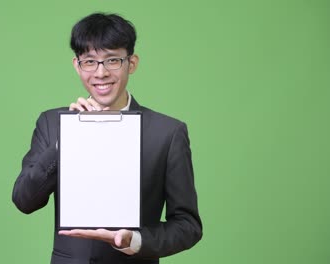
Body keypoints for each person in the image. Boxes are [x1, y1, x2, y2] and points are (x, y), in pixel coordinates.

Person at [12, 12, 202, 264]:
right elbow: (24, 200)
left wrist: (135, 240)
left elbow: (188, 226)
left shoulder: (167, 133)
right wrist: (66, 140)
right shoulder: (51, 124)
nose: (100, 73)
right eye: (89, 62)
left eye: (112, 60)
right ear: (76, 65)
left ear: (131, 63)